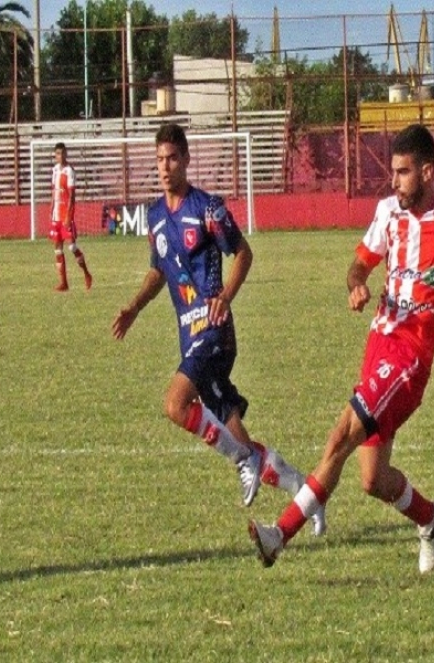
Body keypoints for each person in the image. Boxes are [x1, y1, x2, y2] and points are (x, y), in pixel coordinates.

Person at [248, 124, 434, 573]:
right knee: (372, 479)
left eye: (404, 172)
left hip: (410, 359)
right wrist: (356, 285)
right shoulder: (388, 212)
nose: (395, 181)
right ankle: (430, 517)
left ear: (427, 172)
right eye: (394, 171)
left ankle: (278, 535)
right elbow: (359, 263)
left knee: (342, 434)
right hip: (379, 345)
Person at [111, 123, 326, 535]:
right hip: (188, 335)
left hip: (214, 329)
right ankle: (306, 495)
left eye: (172, 157)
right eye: (159, 159)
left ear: (187, 159)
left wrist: (224, 296)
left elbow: (243, 252)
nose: (165, 166)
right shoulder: (156, 217)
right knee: (235, 433)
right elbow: (159, 272)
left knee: (175, 404)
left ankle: (243, 460)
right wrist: (135, 306)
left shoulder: (207, 208)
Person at [51, 143, 93, 291]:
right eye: (57, 154)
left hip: (65, 214)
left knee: (71, 246)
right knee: (57, 248)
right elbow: (54, 191)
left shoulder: (70, 171)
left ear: (66, 154)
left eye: (62, 153)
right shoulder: (55, 170)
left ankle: (87, 274)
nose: (60, 156)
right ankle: (64, 283)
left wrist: (68, 216)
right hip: (56, 214)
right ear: (55, 155)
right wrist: (51, 209)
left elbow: (72, 197)